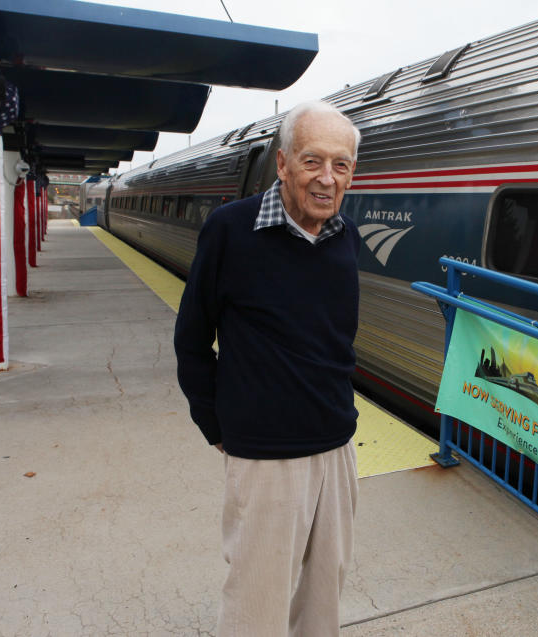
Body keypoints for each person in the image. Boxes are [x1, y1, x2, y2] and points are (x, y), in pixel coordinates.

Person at [173, 100, 362, 637]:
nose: (327, 179)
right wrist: (218, 427)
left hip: (336, 449)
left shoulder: (345, 236)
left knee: (325, 599)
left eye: (341, 165)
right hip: (264, 456)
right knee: (257, 605)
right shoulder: (230, 230)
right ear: (282, 164)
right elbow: (191, 340)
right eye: (312, 161)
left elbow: (335, 341)